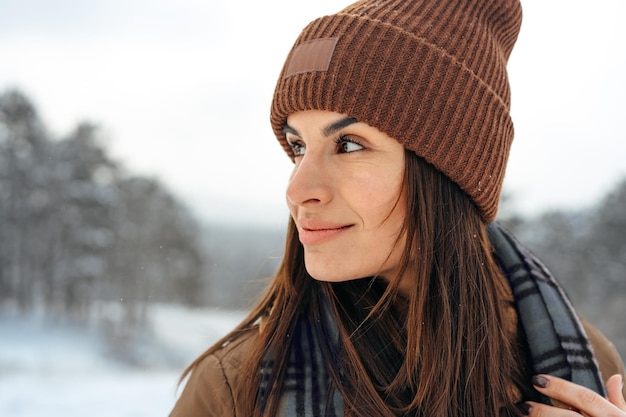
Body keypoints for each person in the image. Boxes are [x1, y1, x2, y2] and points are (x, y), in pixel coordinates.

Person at [169, 0, 626, 416]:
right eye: (297, 147)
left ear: (448, 172)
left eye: (348, 144)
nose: (298, 189)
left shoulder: (588, 374)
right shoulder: (235, 392)